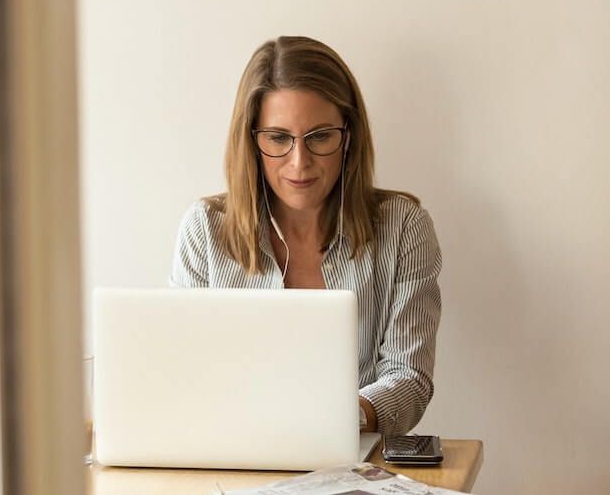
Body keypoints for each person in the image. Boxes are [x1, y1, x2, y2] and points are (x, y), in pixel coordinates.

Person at [170, 35, 442, 437]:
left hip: (351, 460)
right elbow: (184, 374)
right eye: (278, 138)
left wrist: (332, 420)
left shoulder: (403, 227)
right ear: (252, 140)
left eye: (319, 137)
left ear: (348, 135)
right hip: (231, 457)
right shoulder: (205, 230)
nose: (300, 163)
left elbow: (409, 378)